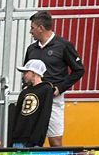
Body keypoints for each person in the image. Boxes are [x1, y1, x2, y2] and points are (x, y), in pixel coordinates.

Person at [24, 12, 85, 147]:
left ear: (41, 28)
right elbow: (26, 72)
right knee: (28, 139)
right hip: (34, 99)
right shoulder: (31, 49)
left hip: (53, 99)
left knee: (55, 140)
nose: (30, 31)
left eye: (32, 28)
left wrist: (60, 88)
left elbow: (79, 70)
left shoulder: (63, 45)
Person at [9, 60, 55, 148]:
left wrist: (38, 140)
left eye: (26, 72)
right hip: (18, 137)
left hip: (33, 139)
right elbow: (17, 115)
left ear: (33, 73)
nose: (24, 75)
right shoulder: (24, 91)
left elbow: (44, 116)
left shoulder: (46, 89)